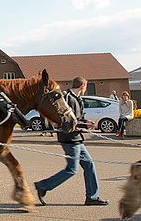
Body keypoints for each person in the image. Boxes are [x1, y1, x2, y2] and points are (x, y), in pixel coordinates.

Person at [34, 76, 108, 206]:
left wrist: (86, 123)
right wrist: (85, 125)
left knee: (89, 165)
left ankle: (92, 197)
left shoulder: (77, 99)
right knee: (71, 169)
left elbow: (78, 118)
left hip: (77, 138)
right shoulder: (67, 97)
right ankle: (43, 185)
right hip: (69, 138)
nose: (85, 90)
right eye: (85, 87)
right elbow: (66, 119)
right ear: (82, 87)